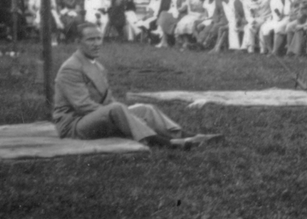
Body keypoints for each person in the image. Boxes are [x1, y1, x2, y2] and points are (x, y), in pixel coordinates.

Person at [53, 24, 217, 146]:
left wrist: (126, 116)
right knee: (117, 109)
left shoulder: (97, 66)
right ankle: (166, 144)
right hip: (74, 125)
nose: (96, 43)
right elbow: (82, 106)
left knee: (146, 109)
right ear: (78, 42)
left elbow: (108, 100)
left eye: (99, 38)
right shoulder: (71, 67)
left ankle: (186, 135)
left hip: (92, 117)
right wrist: (122, 115)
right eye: (90, 39)